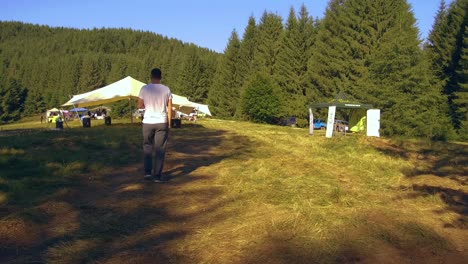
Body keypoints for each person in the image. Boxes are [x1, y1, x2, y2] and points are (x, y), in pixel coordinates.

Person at [138, 68, 172, 183]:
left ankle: (147, 173)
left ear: (151, 76)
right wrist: (170, 122)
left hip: (148, 122)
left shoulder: (144, 88)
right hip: (161, 121)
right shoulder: (166, 89)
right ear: (160, 77)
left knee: (147, 147)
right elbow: (170, 108)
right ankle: (157, 176)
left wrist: (146, 106)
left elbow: (139, 105)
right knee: (160, 149)